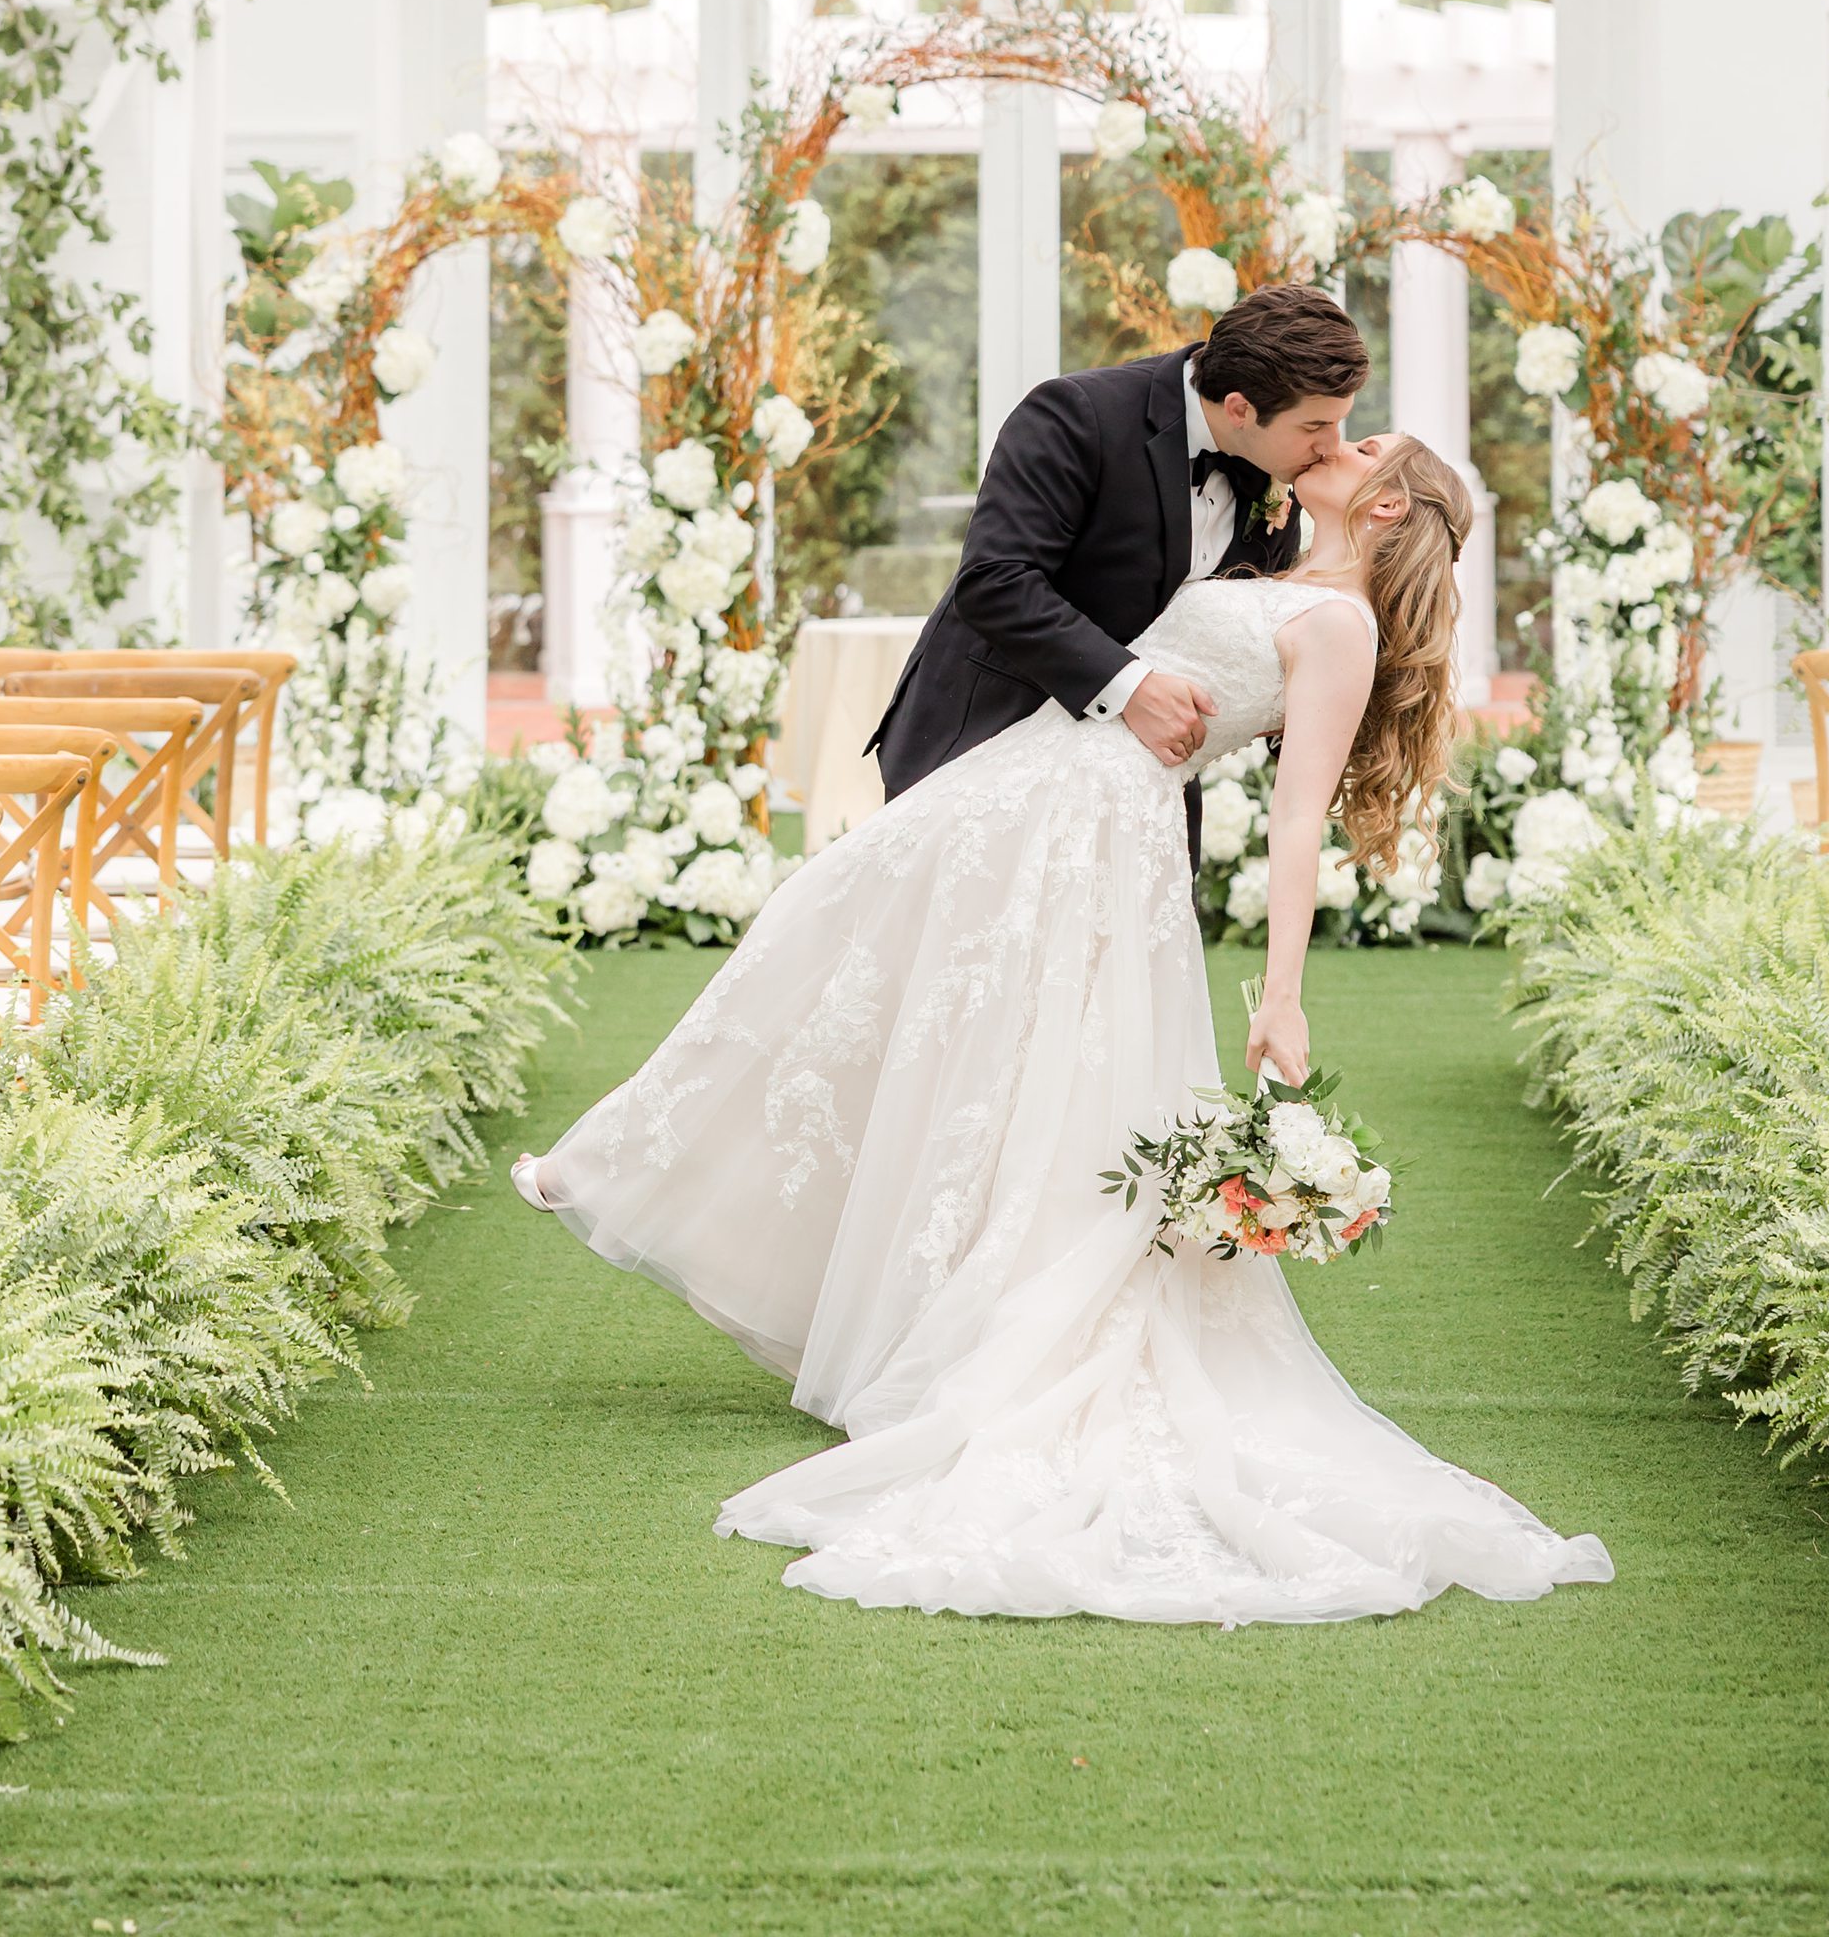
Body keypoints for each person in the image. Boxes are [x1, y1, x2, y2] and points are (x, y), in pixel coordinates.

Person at [512, 418, 1612, 1627]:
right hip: (1023, 786)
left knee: (1016, 1061)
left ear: (1390, 504)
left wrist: (1283, 995)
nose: (1330, 443)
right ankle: (646, 1166)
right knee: (844, 947)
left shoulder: (1339, 626)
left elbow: (1296, 821)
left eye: (1359, 447)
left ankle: (692, 1198)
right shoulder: (1275, 561)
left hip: (1098, 832)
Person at [872, 279, 1370, 812]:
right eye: (1316, 425)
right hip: (984, 747)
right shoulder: (1077, 414)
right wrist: (1132, 687)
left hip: (1138, 790)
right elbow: (996, 580)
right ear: (1240, 409)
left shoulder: (1278, 472)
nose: (1331, 446)